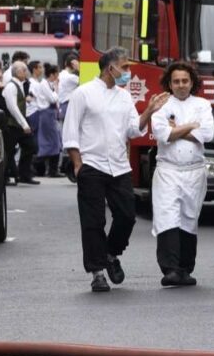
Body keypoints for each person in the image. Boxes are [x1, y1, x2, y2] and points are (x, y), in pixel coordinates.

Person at [63, 47, 168, 292]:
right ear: (110, 68)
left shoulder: (123, 96)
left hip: (119, 166)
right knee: (93, 221)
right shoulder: (83, 94)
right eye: (125, 67)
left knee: (127, 216)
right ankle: (97, 272)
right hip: (92, 165)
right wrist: (78, 164)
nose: (128, 72)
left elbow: (133, 129)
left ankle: (111, 253)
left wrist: (149, 112)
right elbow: (70, 132)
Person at [150, 62, 214, 287]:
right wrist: (191, 127)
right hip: (168, 169)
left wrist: (177, 128)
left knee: (189, 218)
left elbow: (207, 133)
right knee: (167, 216)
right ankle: (170, 269)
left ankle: (185, 269)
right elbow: (161, 133)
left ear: (192, 82)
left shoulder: (203, 104)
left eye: (185, 81)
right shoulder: (162, 104)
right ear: (169, 83)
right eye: (176, 81)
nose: (181, 85)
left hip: (194, 171)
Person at [2, 61, 39, 185]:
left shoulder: (20, 85)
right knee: (8, 151)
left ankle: (24, 174)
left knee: (31, 146)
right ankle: (6, 176)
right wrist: (24, 124)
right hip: (12, 125)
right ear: (17, 72)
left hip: (19, 124)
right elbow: (12, 107)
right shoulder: (11, 86)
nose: (26, 72)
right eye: (24, 70)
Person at [28, 61, 62, 178]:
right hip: (47, 114)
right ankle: (37, 165)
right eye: (56, 75)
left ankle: (52, 169)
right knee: (51, 142)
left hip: (50, 114)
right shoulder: (44, 84)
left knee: (54, 141)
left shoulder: (47, 84)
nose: (57, 78)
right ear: (52, 75)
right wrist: (57, 90)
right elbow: (53, 99)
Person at [58, 54, 81, 181]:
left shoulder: (62, 75)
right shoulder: (71, 77)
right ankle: (69, 164)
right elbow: (86, 81)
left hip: (64, 106)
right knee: (72, 135)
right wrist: (79, 69)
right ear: (72, 63)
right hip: (68, 106)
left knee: (66, 134)